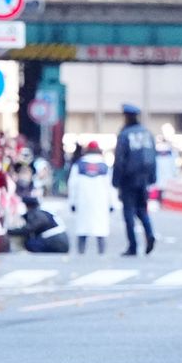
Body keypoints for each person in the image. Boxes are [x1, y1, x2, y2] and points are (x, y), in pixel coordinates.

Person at [112, 103, 157, 255]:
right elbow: (153, 157)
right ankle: (149, 234)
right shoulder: (147, 134)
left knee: (128, 213)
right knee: (142, 210)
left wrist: (115, 180)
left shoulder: (125, 135)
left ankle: (133, 246)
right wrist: (152, 177)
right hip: (144, 179)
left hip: (128, 179)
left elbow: (119, 159)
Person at [68, 140, 113, 254]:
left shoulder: (79, 165)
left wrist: (72, 202)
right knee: (100, 228)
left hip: (83, 201)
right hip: (100, 202)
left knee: (82, 227)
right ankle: (101, 251)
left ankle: (81, 251)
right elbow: (110, 187)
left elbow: (72, 185)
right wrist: (112, 203)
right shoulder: (104, 166)